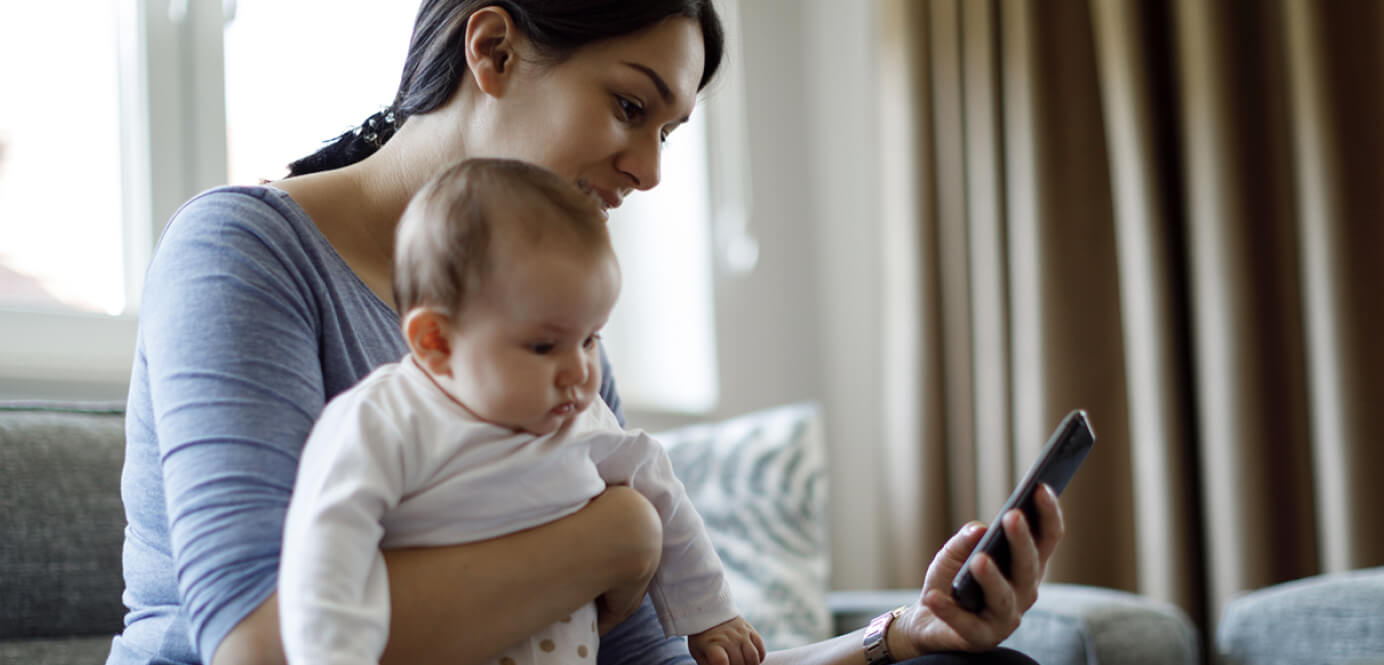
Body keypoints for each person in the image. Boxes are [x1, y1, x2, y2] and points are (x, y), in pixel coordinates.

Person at [109, 2, 1066, 665]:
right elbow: (263, 644)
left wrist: (899, 633)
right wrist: (617, 534)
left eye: (670, 131)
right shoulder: (244, 253)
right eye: (629, 105)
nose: (648, 169)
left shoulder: (555, 347)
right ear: (492, 52)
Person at [278, 158, 763, 665]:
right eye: (543, 346)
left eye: (590, 339)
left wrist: (711, 612)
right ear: (436, 341)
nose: (578, 370)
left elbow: (662, 493)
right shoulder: (386, 419)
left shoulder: (582, 418)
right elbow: (326, 552)